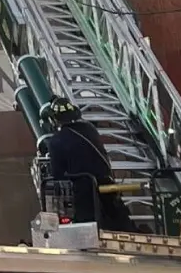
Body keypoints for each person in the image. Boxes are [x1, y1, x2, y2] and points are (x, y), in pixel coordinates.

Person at [44, 96, 136, 231]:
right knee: (120, 222)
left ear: (54, 119)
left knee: (86, 225)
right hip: (107, 186)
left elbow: (58, 174)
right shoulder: (90, 129)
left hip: (83, 193)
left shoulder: (56, 141)